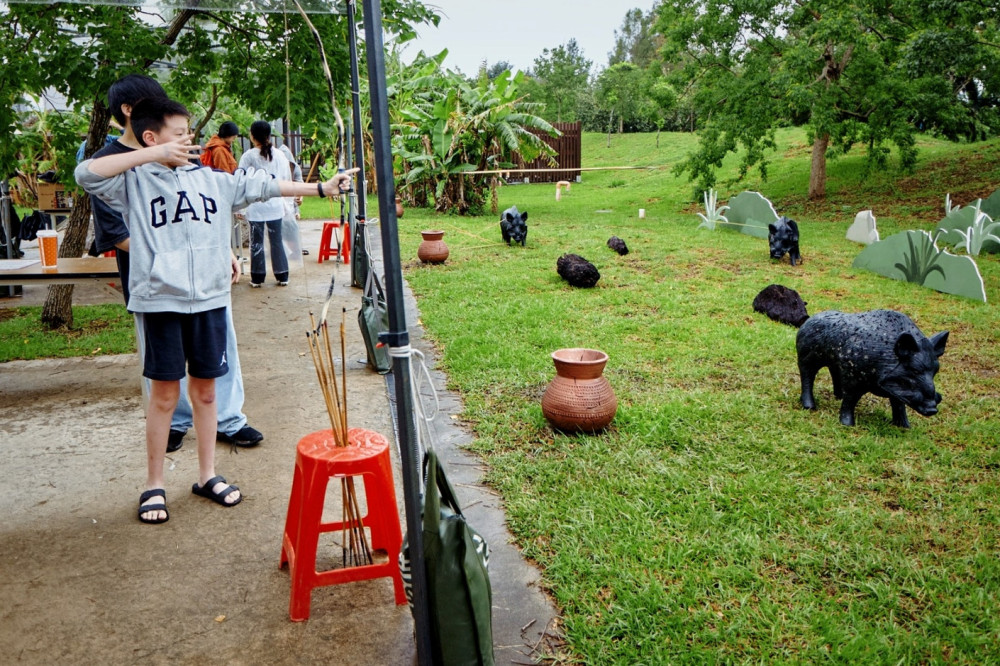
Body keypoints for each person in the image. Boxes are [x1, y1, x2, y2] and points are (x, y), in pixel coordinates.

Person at [75, 97, 356, 523]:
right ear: (151, 138)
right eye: (178, 134)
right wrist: (151, 155)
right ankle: (154, 484)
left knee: (206, 392)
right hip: (160, 302)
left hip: (209, 301)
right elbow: (85, 174)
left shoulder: (211, 179)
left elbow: (264, 187)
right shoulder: (133, 181)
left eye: (188, 132)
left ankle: (207, 475)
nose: (188, 140)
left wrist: (321, 188)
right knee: (164, 396)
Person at [89, 74, 263, 453]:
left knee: (218, 352)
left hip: (206, 280)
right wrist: (170, 260)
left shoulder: (181, 153)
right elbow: (118, 234)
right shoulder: (109, 164)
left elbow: (203, 208)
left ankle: (229, 419)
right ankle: (175, 422)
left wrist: (220, 251)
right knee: (163, 367)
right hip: (154, 285)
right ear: (130, 111)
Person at [238, 121, 293, 287]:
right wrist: (288, 204)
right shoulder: (280, 155)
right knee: (277, 241)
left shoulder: (248, 156)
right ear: (269, 135)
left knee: (256, 242)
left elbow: (241, 181)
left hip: (256, 206)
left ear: (252, 136)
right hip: (275, 205)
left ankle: (257, 277)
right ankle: (282, 275)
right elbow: (286, 179)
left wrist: (240, 207)